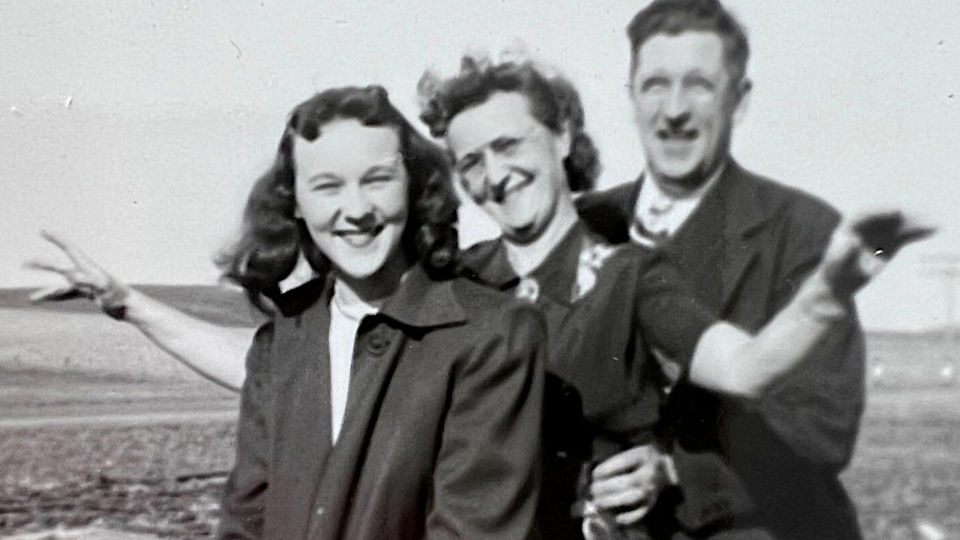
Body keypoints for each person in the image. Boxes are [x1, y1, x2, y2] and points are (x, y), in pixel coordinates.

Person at [417, 55, 930, 540]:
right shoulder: (460, 280)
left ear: (563, 136)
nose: (495, 176)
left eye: (510, 145)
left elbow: (743, 368)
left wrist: (826, 293)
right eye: (471, 163)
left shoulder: (630, 277)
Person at [32, 85, 547, 540]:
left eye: (378, 180)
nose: (357, 209)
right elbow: (245, 522)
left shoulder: (492, 334)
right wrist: (127, 303)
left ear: (413, 189)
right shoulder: (283, 344)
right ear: (295, 202)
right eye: (327, 186)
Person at [574, 0, 877, 538]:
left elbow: (822, 426)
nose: (674, 110)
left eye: (698, 85)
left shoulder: (803, 231)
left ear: (739, 99)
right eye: (655, 85)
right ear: (631, 97)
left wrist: (673, 471)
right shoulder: (587, 226)